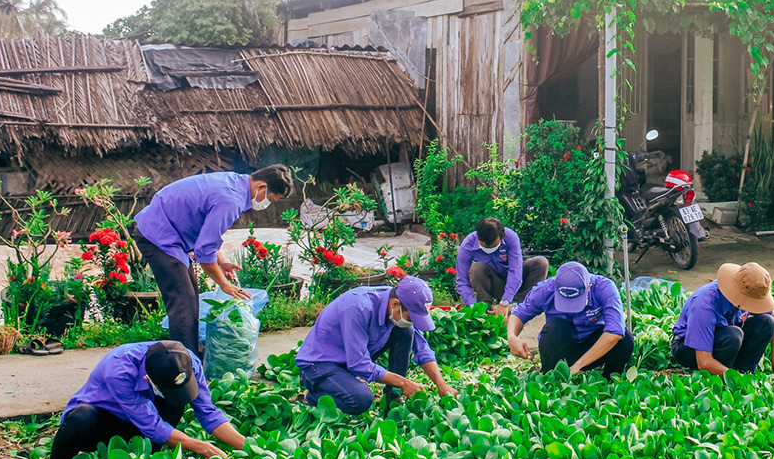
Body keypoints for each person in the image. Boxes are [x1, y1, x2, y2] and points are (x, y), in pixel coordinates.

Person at [34, 340, 244, 459]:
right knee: (81, 418)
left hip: (140, 424)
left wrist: (247, 447)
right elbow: (152, 425)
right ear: (147, 378)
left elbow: (208, 412)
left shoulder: (186, 361)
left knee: (174, 401)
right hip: (104, 421)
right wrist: (201, 447)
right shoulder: (118, 369)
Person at [134, 165, 293, 356]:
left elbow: (208, 233)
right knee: (182, 300)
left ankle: (192, 351)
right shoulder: (231, 200)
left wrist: (222, 261)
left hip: (169, 229)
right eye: (270, 199)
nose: (267, 203)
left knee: (190, 294)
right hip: (158, 234)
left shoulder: (235, 182)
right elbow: (204, 253)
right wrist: (224, 284)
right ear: (261, 187)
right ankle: (184, 363)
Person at [295, 277, 455, 415]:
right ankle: (312, 397)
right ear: (396, 304)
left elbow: (422, 349)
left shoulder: (395, 304)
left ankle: (393, 396)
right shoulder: (357, 307)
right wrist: (404, 382)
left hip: (348, 360)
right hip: (318, 366)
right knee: (361, 399)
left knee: (407, 331)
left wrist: (441, 383)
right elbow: (359, 364)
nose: (411, 321)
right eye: (410, 317)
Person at [507, 261, 633, 377]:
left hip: (594, 348)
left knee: (625, 337)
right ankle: (551, 376)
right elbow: (519, 314)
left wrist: (578, 365)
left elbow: (614, 332)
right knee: (554, 328)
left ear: (588, 287)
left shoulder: (604, 288)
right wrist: (512, 337)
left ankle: (610, 380)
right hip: (561, 349)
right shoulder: (545, 289)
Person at [671, 263, 774, 377]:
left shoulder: (748, 291)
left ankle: (744, 370)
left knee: (768, 322)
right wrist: (736, 378)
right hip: (689, 347)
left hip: (725, 335)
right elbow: (704, 362)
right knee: (733, 335)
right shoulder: (703, 305)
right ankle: (722, 377)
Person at [455, 217, 549, 315]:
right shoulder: (468, 244)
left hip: (515, 282)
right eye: (485, 247)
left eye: (493, 246)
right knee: (477, 268)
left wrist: (504, 303)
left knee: (541, 262)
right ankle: (486, 309)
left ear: (501, 236)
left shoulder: (511, 237)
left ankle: (521, 307)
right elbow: (462, 281)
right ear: (478, 237)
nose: (489, 248)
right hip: (493, 282)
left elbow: (515, 271)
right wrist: (473, 307)